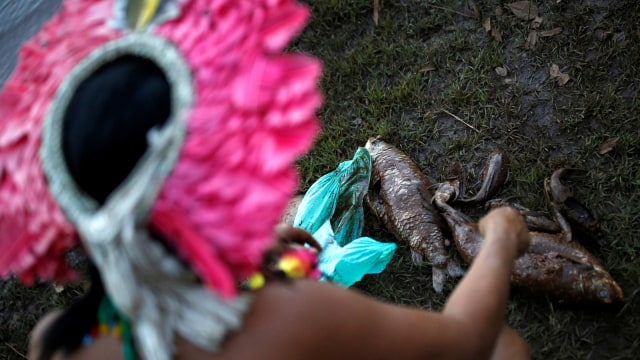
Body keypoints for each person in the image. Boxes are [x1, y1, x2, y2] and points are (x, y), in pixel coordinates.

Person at [0, 1, 530, 359]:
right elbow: (464, 338)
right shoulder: (289, 317)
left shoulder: (56, 340)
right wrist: (501, 244)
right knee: (506, 350)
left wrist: (231, 263)